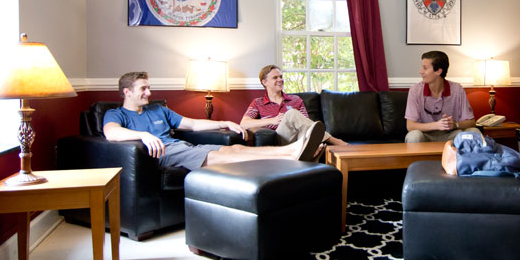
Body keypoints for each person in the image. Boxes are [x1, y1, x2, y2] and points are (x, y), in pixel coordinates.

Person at [103, 71, 325, 170]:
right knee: (223, 155)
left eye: (149, 88)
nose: (148, 93)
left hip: (183, 148)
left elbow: (192, 124)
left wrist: (224, 123)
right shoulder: (117, 114)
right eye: (143, 89)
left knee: (234, 148)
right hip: (163, 154)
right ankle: (291, 153)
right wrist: (143, 135)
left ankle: (292, 152)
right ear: (127, 92)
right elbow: (111, 132)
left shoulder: (158, 110)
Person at [240, 65, 347, 146]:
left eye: (281, 77)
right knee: (291, 113)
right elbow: (244, 124)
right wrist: (272, 120)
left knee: (305, 129)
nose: (280, 80)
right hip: (279, 139)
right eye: (275, 78)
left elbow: (306, 125)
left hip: (298, 138)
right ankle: (332, 140)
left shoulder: (295, 100)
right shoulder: (258, 103)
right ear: (264, 82)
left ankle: (308, 149)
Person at [404, 50, 479, 143]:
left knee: (474, 132)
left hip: (451, 135)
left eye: (425, 68)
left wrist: (455, 125)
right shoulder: (415, 90)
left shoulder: (457, 90)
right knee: (414, 136)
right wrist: (437, 125)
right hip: (425, 135)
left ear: (438, 71)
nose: (420, 71)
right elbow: (410, 126)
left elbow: (471, 122)